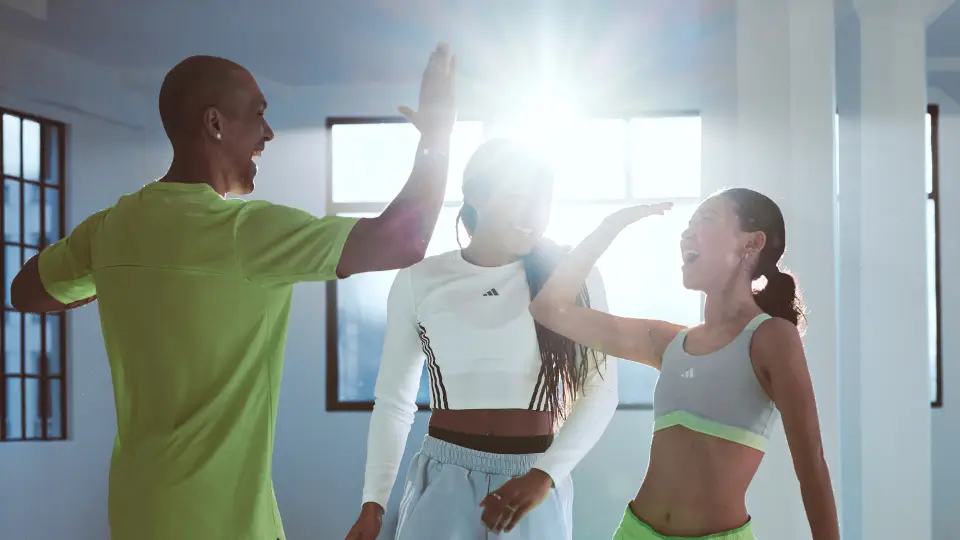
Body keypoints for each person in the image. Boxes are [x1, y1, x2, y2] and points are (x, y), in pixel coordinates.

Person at [9, 44, 456, 540]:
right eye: (259, 115)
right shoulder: (246, 232)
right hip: (223, 520)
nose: (268, 133)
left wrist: (103, 282)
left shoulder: (110, 228)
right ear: (215, 124)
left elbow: (26, 292)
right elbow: (404, 240)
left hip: (139, 510)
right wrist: (437, 136)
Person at [344, 139, 618, 540]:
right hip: (442, 477)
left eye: (542, 201)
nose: (531, 215)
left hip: (531, 485)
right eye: (516, 197)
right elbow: (394, 402)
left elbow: (601, 390)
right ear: (475, 195)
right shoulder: (419, 281)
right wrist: (373, 504)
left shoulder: (574, 276)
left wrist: (544, 476)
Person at [528, 189, 840, 540]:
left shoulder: (772, 337)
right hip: (635, 532)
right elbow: (548, 310)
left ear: (751, 243)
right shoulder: (668, 342)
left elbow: (811, 464)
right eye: (688, 225)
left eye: (706, 221)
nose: (685, 234)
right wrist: (610, 227)